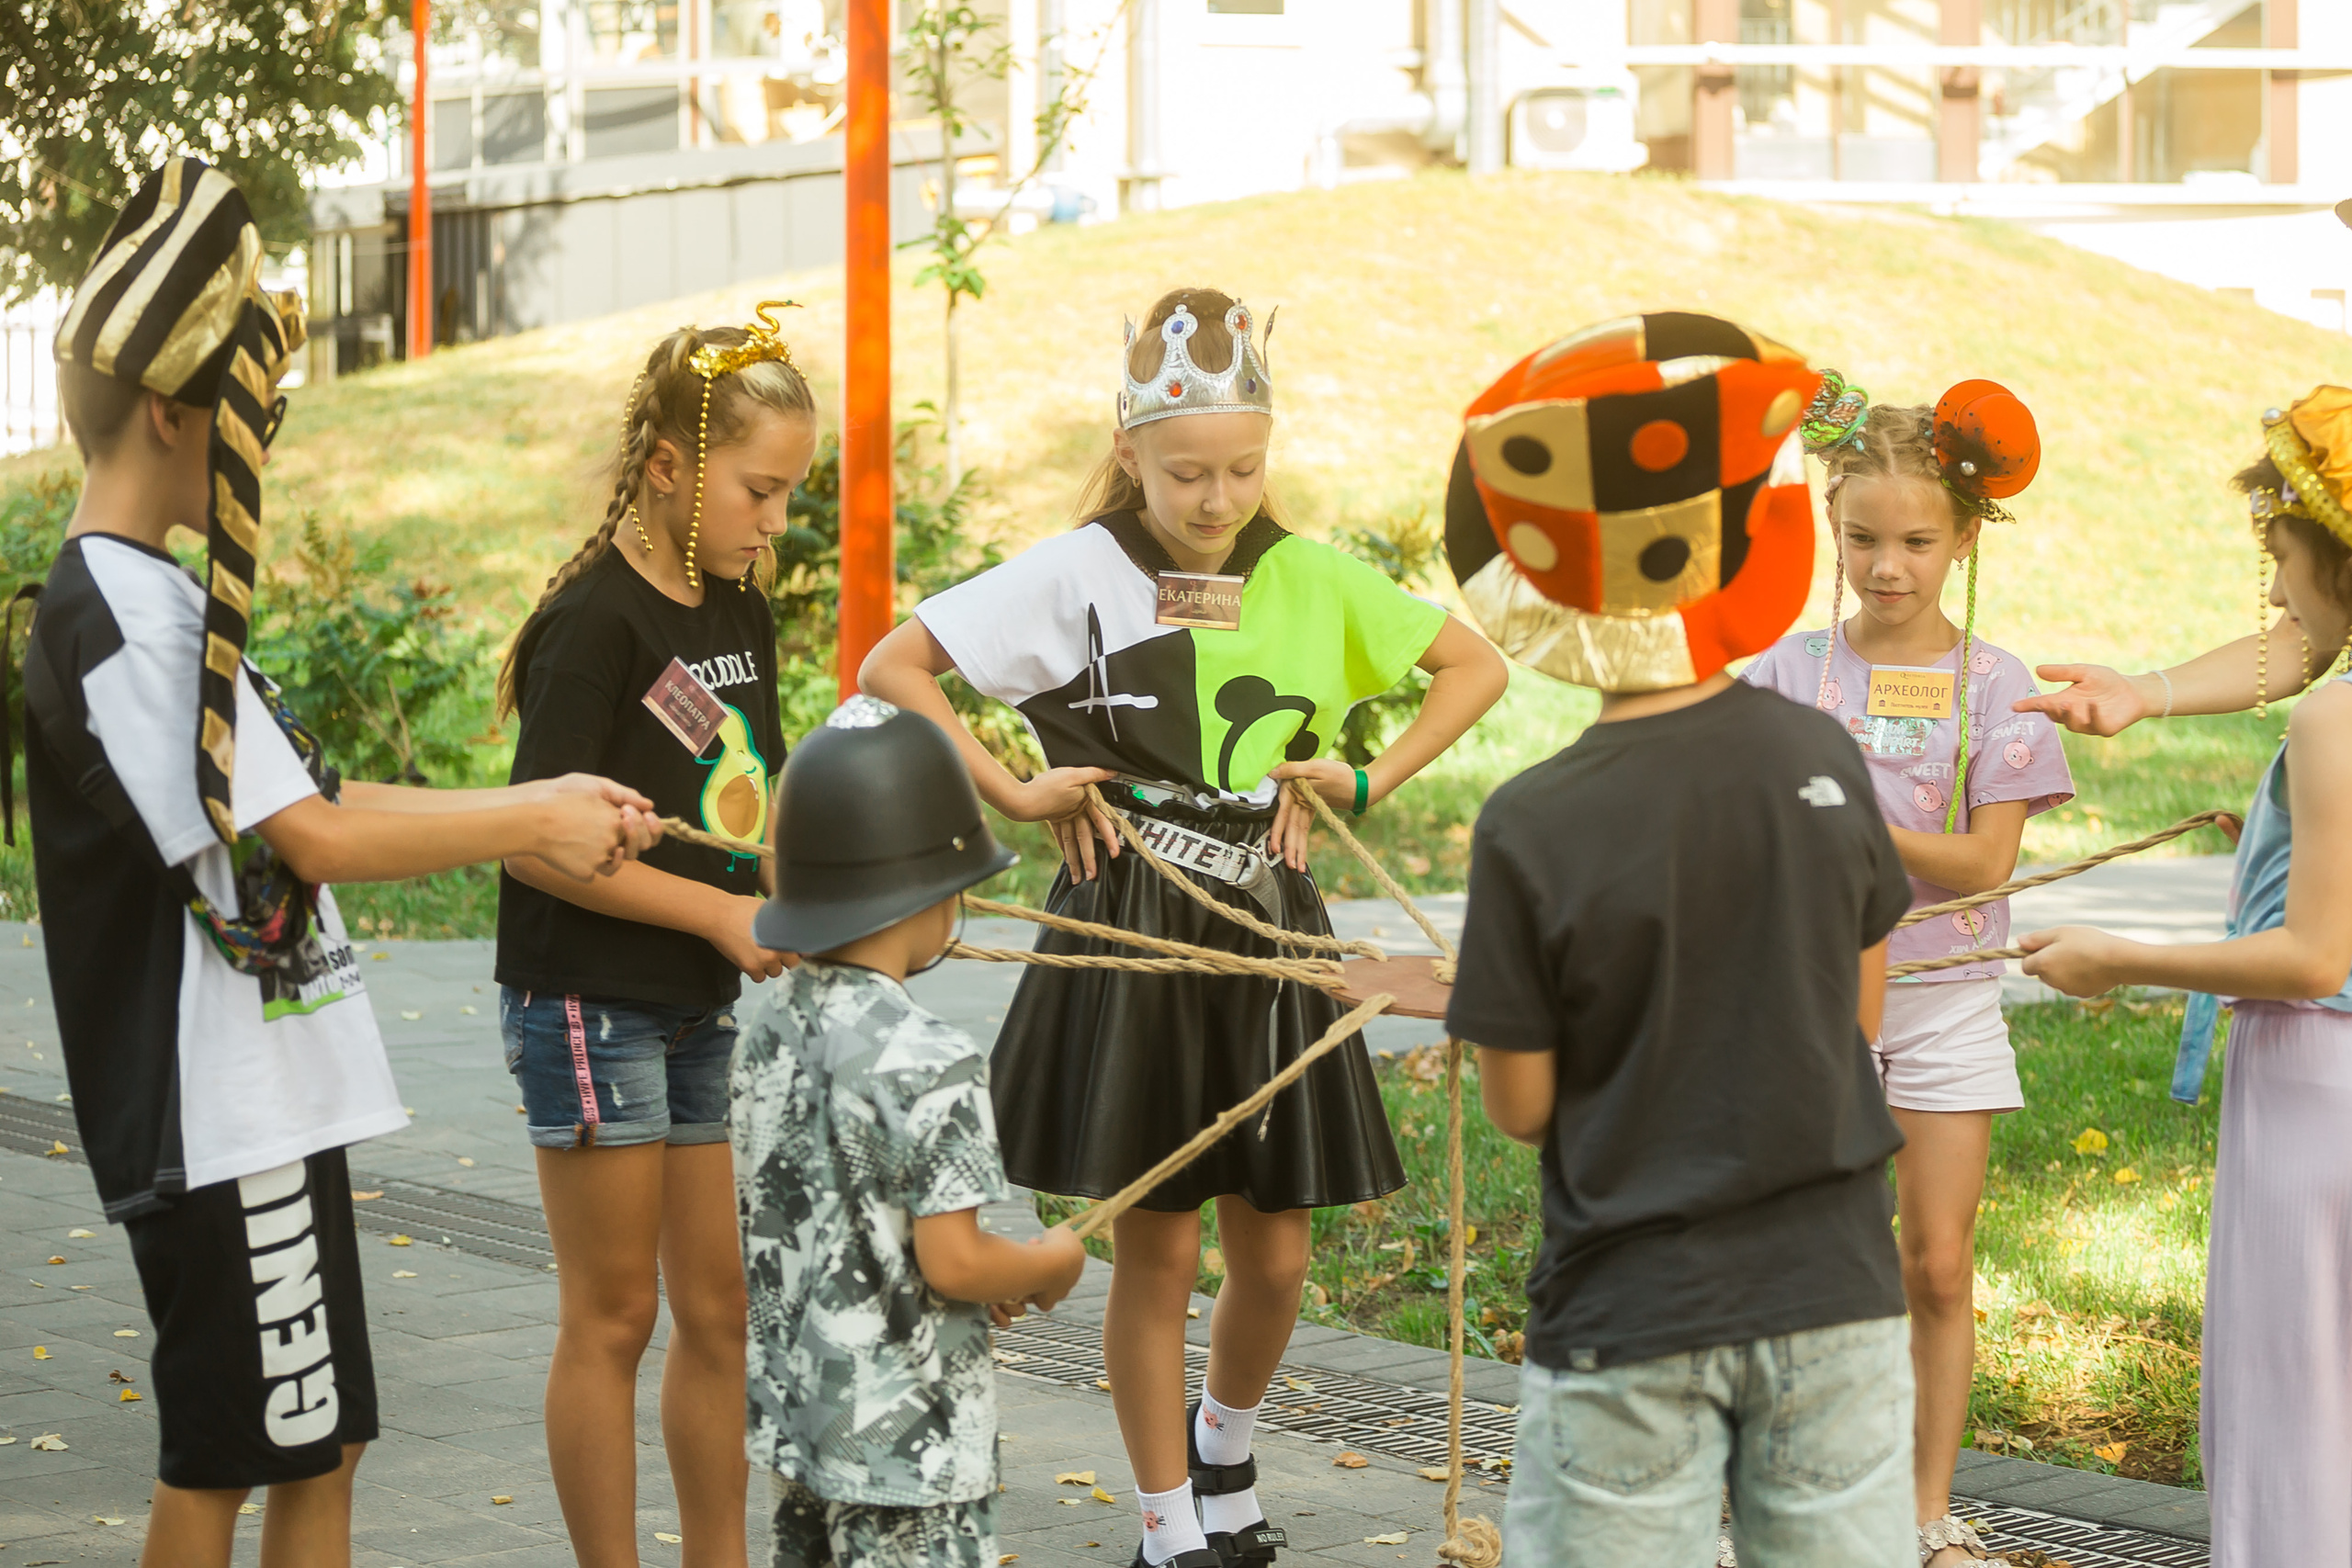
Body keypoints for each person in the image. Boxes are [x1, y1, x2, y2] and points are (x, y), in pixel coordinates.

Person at [12, 157, 658, 1568]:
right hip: (217, 1108)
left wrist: (535, 797)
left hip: (254, 1104)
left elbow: (313, 793)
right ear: (178, 412)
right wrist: (529, 820)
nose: (269, 441)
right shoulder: (121, 614)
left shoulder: (141, 596)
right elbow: (313, 834)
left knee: (313, 1440)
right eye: (258, 412)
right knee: (233, 1455)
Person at [860, 287, 1508, 1568]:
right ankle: (1168, 1525)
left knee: (1275, 1252)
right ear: (1126, 449)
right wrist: (1017, 785)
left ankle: (1227, 1438)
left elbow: (1475, 663)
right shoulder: (1074, 571)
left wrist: (1363, 781)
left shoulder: (1308, 575)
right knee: (1153, 1249)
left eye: (1243, 468)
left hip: (1267, 927)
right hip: (1128, 926)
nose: (1216, 499)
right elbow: (896, 664)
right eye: (1186, 472)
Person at [1442, 311, 1917, 1567]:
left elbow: (1524, 1105)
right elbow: (1854, 1018)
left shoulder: (1529, 820)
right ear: (1728, 551)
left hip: (1629, 1309)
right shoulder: (1820, 754)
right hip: (1836, 1293)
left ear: (1553, 580)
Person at [492, 301, 817, 1567]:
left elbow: (756, 802)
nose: (775, 521)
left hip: (696, 996)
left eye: (789, 493)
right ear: (670, 467)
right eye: (759, 489)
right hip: (590, 998)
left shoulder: (741, 607)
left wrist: (831, 891)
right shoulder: (597, 623)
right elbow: (531, 836)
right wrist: (722, 913)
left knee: (719, 1308)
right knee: (616, 1312)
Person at [1741, 375, 2073, 1567]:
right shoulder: (1780, 673)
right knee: (1794, 1261)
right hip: (1813, 1004)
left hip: (1945, 996)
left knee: (1935, 1256)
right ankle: (1774, 1507)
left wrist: (1847, 825)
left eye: (1917, 540)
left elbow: (1984, 860)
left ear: (1966, 535)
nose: (1888, 565)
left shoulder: (1998, 685)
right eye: (1863, 537)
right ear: (1832, 527)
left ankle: (1924, 1513)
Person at [2018, 389, 2352, 1568]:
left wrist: (2118, 956)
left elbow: (2315, 959)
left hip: (2318, 1085)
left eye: (2279, 560)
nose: (2269, 594)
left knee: (2297, 1391)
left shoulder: (2332, 726)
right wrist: (2145, 691)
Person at [730, 695, 1089, 1568]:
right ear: (929, 895)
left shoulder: (765, 1025)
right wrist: (1047, 1263)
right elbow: (956, 1262)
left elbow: (833, 1211)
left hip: (800, 1419)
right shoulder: (933, 1056)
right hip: (908, 1444)